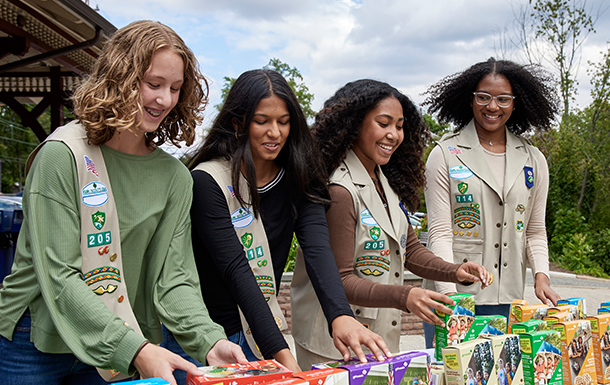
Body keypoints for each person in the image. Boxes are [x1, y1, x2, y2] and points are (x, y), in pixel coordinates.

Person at [0, 21, 246, 385]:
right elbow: (59, 276)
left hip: (121, 341)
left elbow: (173, 278)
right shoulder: (62, 155)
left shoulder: (174, 178)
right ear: (119, 77)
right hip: (36, 341)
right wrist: (136, 350)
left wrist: (209, 340)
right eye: (153, 84)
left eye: (175, 88)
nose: (164, 99)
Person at [175, 69, 390, 377]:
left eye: (283, 121)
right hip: (203, 339)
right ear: (239, 123)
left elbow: (317, 249)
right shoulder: (208, 182)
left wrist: (340, 316)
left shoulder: (297, 179)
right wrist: (284, 358)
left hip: (257, 334)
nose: (274, 132)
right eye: (262, 121)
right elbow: (237, 272)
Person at [290, 79, 490, 369]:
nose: (394, 135)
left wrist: (454, 271)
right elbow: (340, 281)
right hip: (334, 344)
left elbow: (410, 250)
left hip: (375, 336)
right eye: (383, 123)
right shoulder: (340, 190)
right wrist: (406, 296)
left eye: (399, 125)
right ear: (355, 124)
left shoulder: (385, 181)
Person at [421, 58, 561, 347]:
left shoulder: (533, 159)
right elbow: (440, 232)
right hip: (457, 297)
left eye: (503, 99)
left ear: (515, 103)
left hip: (510, 300)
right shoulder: (445, 154)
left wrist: (542, 276)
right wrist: (451, 298)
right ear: (470, 100)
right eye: (483, 97)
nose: (492, 106)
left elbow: (534, 230)